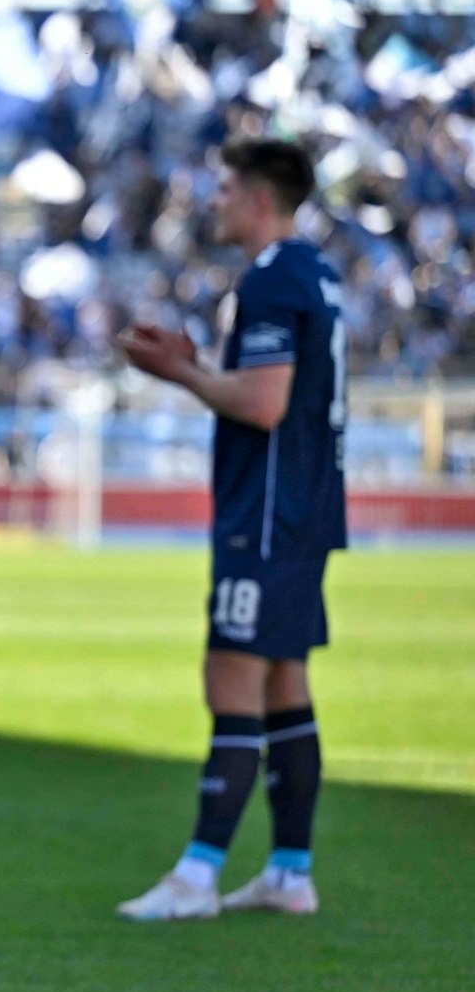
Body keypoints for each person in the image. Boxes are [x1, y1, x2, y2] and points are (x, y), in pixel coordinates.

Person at [115, 138, 345, 922]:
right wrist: (201, 364)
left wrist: (180, 374)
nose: (213, 202)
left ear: (256, 197)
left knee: (232, 681)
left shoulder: (273, 277)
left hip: (269, 513)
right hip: (303, 507)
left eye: (223, 190)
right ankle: (289, 870)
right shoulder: (317, 271)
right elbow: (263, 389)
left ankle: (197, 875)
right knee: (285, 682)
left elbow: (263, 404)